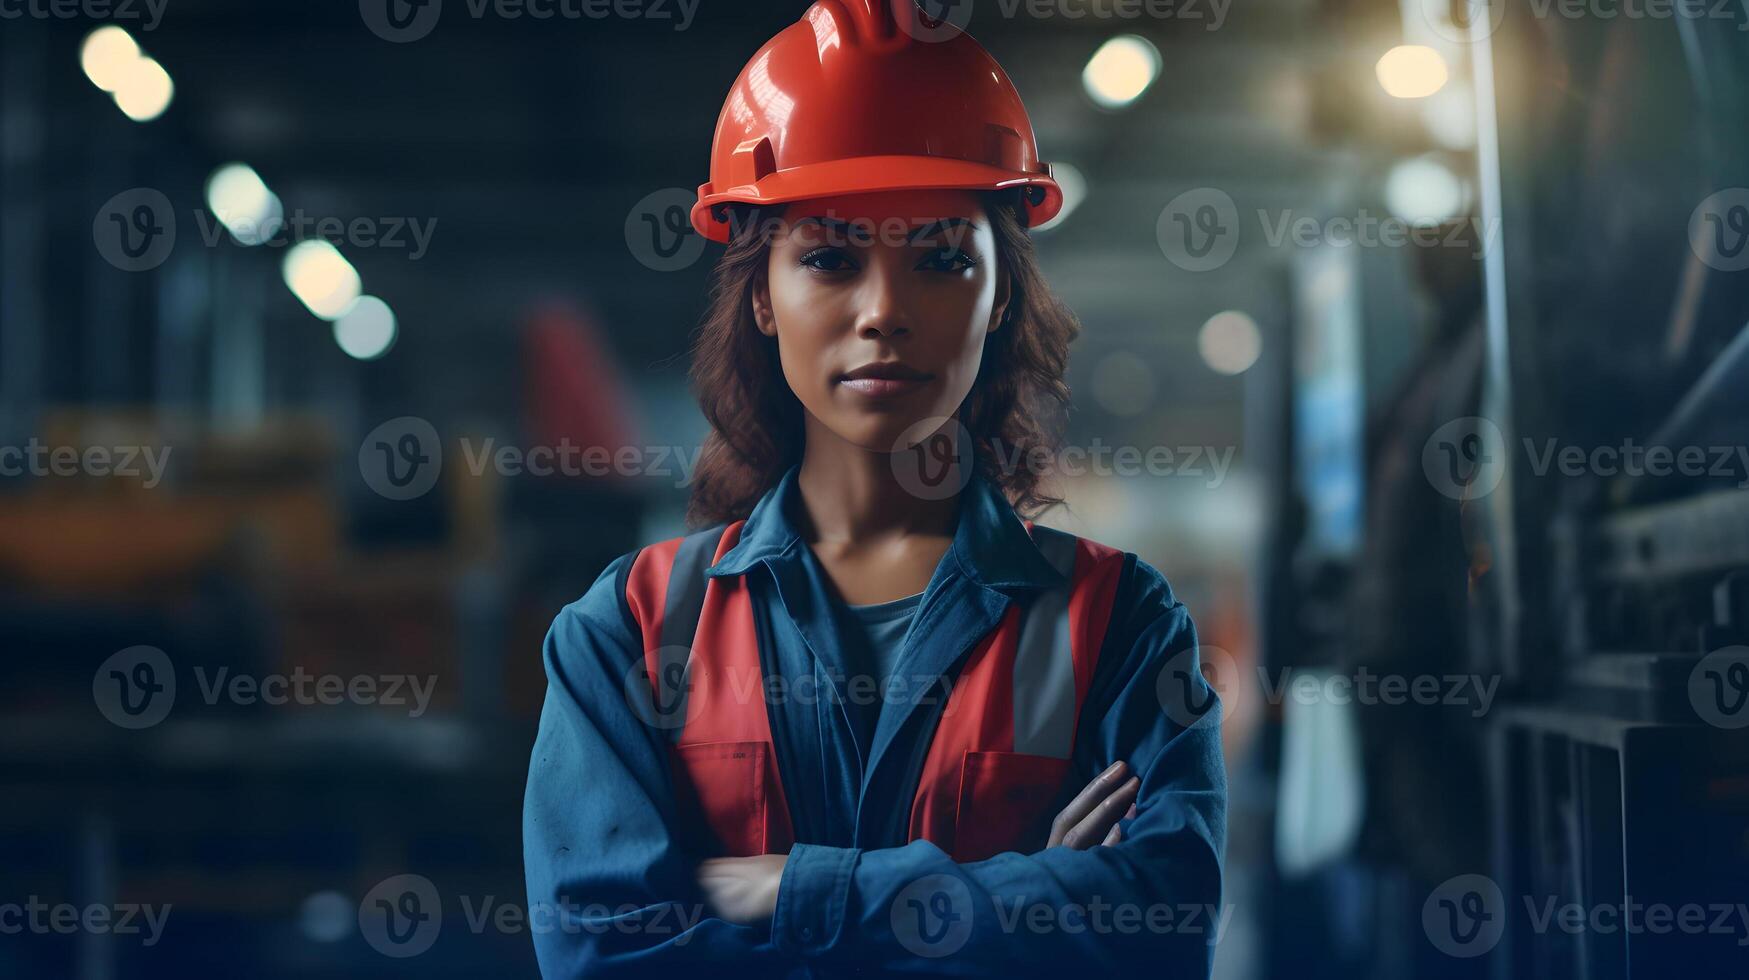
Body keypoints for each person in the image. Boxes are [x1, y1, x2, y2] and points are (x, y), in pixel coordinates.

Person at [522, 2, 1226, 975]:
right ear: (762, 292)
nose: (885, 310)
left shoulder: (1120, 624)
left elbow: (1160, 924)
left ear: (1001, 291)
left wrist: (791, 890)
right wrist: (1020, 895)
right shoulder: (629, 634)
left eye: (941, 260)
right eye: (831, 258)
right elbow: (603, 959)